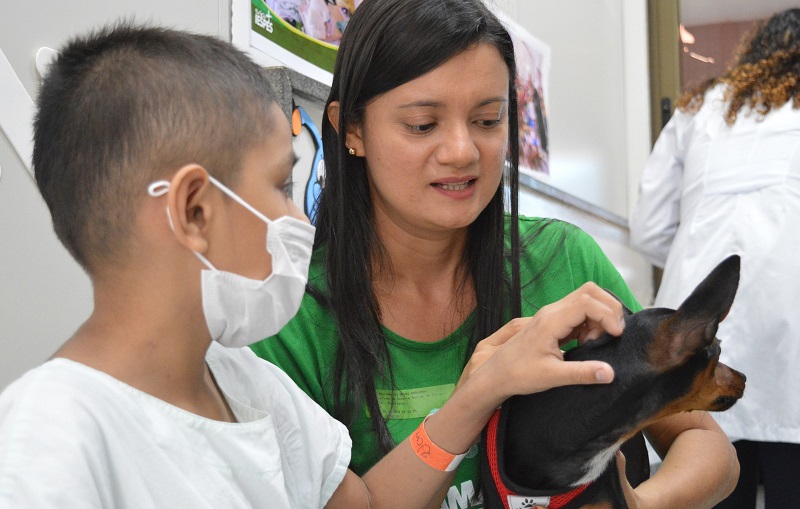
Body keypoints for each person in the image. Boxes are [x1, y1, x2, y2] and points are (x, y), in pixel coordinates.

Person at [0, 21, 634, 509]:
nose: (299, 222)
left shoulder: (245, 386)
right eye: (280, 188)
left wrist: (480, 392)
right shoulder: (50, 437)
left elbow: (370, 503)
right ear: (194, 210)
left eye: (488, 119)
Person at [250, 0, 740, 507]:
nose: (463, 151)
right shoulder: (288, 315)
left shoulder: (563, 262)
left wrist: (637, 505)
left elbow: (706, 446)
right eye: (423, 124)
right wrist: (478, 395)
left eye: (487, 120)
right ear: (351, 129)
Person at [630, 8, 800, 509]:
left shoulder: (701, 107)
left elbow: (650, 228)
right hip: (791, 323)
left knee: (710, 475)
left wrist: (699, 259)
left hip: (699, 318)